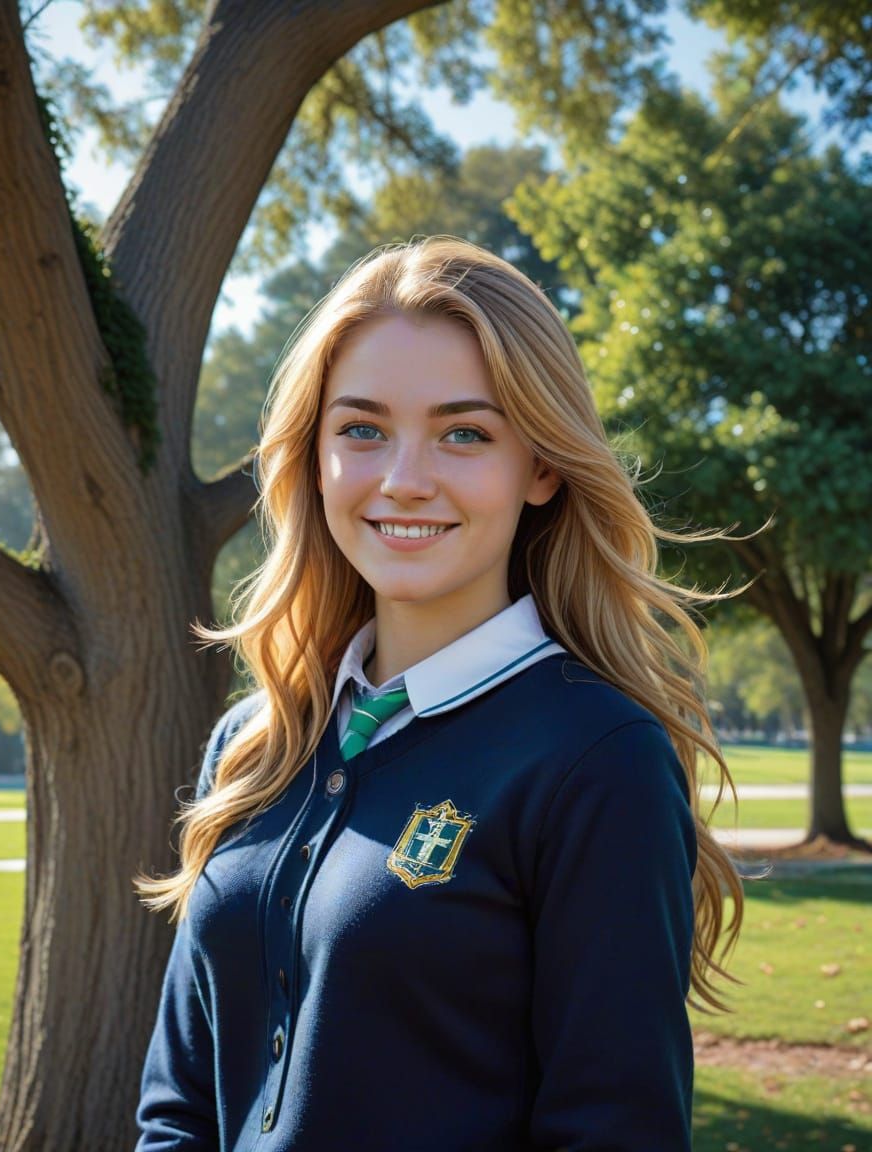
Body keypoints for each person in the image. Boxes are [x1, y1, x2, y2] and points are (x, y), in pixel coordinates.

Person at [133, 237, 743, 1151]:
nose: (403, 479)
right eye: (362, 429)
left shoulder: (597, 757)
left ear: (541, 467)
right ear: (316, 456)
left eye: (465, 432)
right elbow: (176, 1107)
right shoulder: (255, 744)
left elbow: (613, 1133)